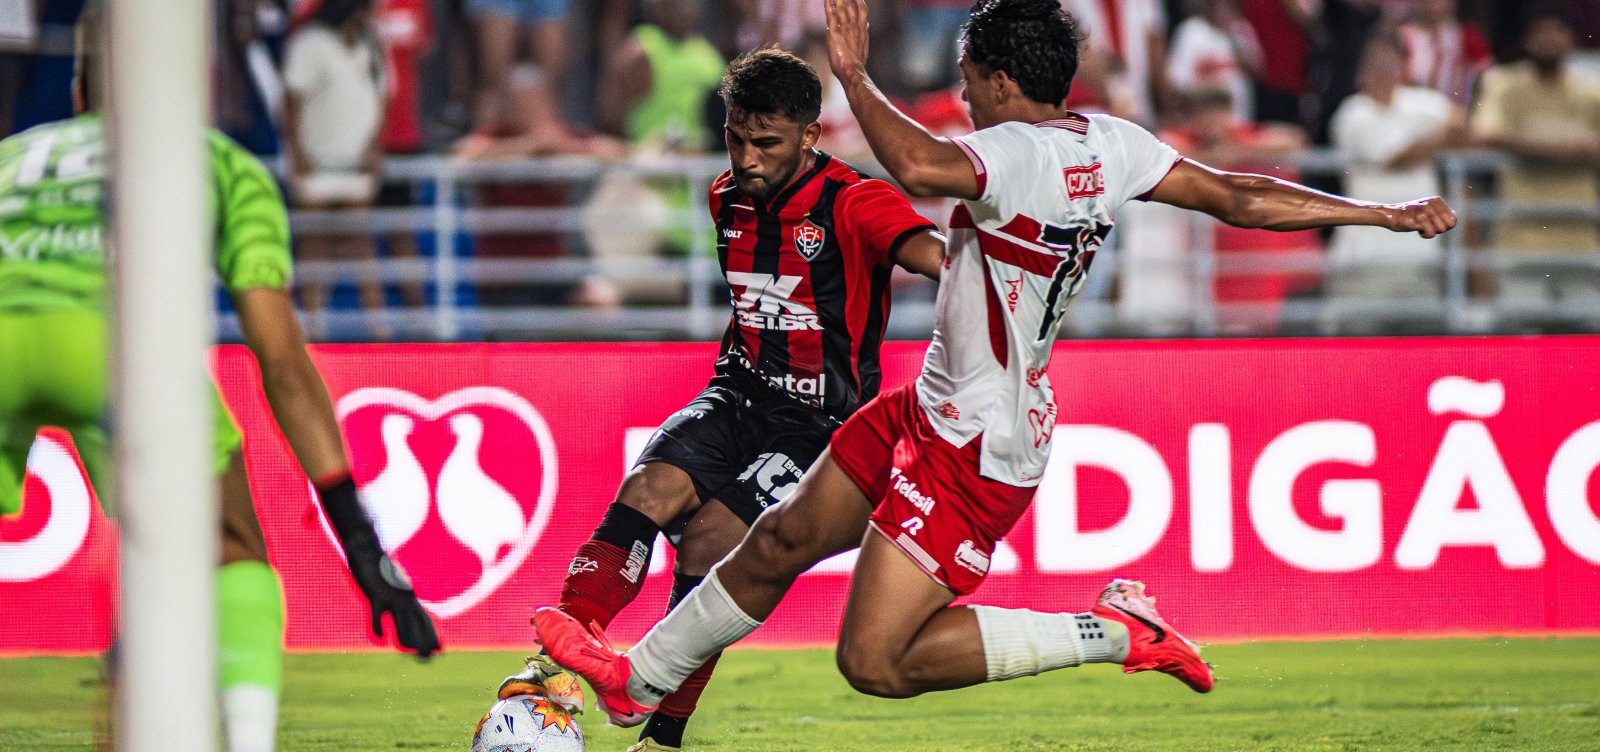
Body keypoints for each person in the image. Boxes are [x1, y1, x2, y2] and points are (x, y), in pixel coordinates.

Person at [533, 0, 1456, 726]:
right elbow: (1238, 196)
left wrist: (852, 75)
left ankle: (1114, 632)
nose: (965, 95)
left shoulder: (1012, 154)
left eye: (971, 79)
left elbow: (918, 166)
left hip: (979, 441)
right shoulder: (1111, 141)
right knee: (774, 540)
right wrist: (1377, 213)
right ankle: (638, 682)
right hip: (930, 400)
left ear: (1005, 81)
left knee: (876, 664)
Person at [0, 10, 439, 751]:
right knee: (231, 548)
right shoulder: (216, 161)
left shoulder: (12, 157)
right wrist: (363, 547)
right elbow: (282, 361)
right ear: (189, 86)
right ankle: (245, 739)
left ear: (79, 89)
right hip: (114, 344)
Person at [506, 47, 947, 752]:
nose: (745, 158)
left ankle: (663, 734)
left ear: (810, 135)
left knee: (710, 543)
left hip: (820, 422)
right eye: (735, 137)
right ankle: (550, 678)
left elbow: (940, 260)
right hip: (737, 390)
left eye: (765, 143)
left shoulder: (855, 202)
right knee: (645, 489)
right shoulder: (725, 198)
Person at [1470, 6, 1600, 331]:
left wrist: (1528, 144)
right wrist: (1566, 148)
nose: (1549, 40)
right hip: (1520, 239)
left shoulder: (1590, 91)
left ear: (1572, 40)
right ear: (1527, 40)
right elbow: (1484, 133)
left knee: (1584, 343)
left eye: (1557, 32)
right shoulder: (1504, 84)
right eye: (1541, 32)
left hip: (1579, 240)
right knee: (1522, 340)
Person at [1327, 35, 1461, 333]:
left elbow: (1461, 124)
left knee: (1422, 355)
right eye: (1375, 62)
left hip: (1420, 255)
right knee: (1359, 352)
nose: (1383, 68)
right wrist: (1441, 138)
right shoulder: (1352, 113)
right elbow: (1397, 157)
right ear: (1360, 69)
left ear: (1403, 65)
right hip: (1365, 260)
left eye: (1390, 60)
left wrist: (1437, 137)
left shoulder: (1420, 103)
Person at [281, 0, 390, 340]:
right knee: (315, 243)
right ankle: (310, 325)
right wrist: (297, 153)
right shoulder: (310, 44)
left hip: (354, 161)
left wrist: (374, 148)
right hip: (317, 161)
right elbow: (290, 102)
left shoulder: (369, 44)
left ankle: (378, 327)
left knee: (361, 244)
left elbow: (379, 99)